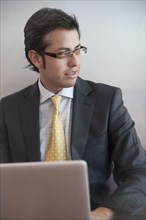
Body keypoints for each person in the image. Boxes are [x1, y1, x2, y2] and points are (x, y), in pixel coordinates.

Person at [0, 7, 146, 220]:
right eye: (63, 53)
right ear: (36, 59)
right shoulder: (8, 109)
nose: (75, 62)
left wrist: (106, 213)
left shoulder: (108, 101)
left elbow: (140, 172)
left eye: (78, 50)